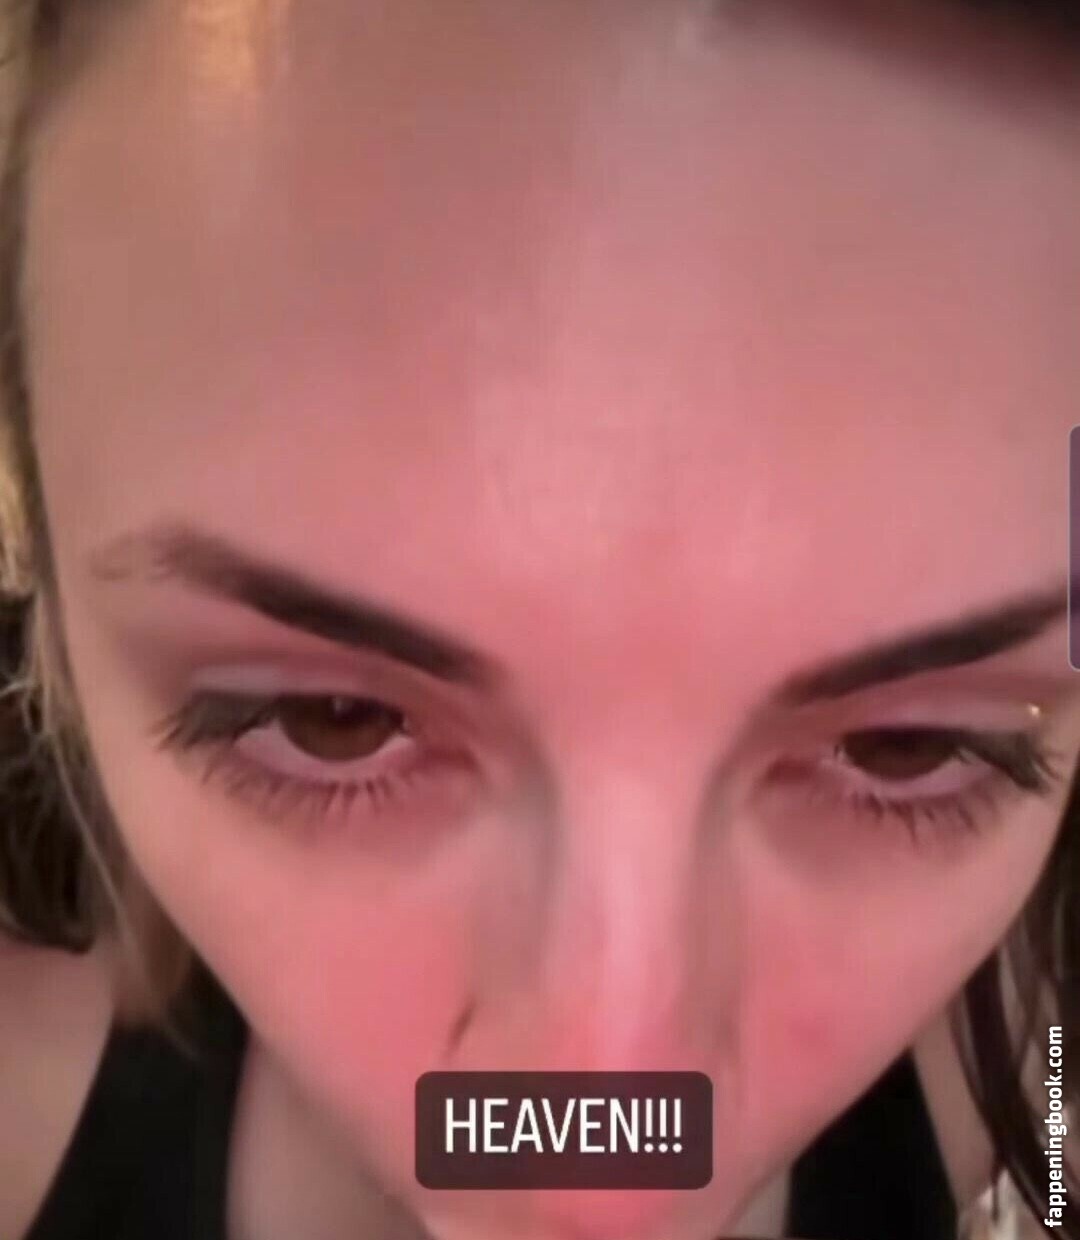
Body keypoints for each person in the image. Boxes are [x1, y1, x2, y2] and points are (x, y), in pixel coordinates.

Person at [0, 0, 1077, 1237]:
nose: (608, 1178)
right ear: (49, 612)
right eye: (333, 718)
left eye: (909, 746)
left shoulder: (1028, 1065)